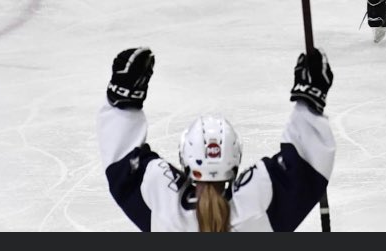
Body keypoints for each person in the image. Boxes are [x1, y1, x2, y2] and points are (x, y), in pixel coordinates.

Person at [97, 46, 336, 232]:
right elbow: (307, 167)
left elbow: (122, 167)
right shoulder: (257, 205)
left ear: (185, 158)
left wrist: (123, 96)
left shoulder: (166, 209)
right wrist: (310, 99)